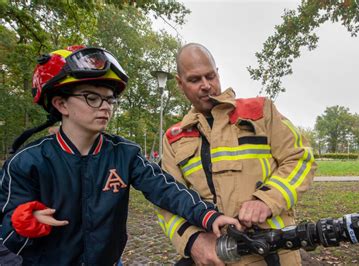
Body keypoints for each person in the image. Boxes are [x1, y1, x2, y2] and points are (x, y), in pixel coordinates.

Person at [0, 45, 241, 265]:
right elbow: (6, 234)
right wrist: (20, 223)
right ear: (61, 105)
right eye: (92, 98)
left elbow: (166, 189)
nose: (105, 106)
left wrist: (208, 215)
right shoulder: (26, 163)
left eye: (109, 99)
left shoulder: (125, 154)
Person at [157, 43, 316, 265]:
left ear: (218, 73)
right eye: (195, 80)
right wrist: (193, 241)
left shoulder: (261, 112)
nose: (206, 85)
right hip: (216, 258)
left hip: (275, 256)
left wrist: (266, 201)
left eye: (210, 76)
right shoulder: (174, 138)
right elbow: (166, 199)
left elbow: (301, 159)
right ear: (180, 83)